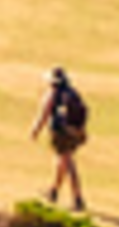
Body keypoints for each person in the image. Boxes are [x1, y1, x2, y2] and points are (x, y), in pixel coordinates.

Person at [29, 66, 89, 208]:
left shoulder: (52, 94)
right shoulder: (72, 93)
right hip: (74, 133)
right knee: (63, 161)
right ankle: (54, 191)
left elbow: (44, 114)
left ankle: (77, 198)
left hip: (61, 132)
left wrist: (35, 131)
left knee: (67, 164)